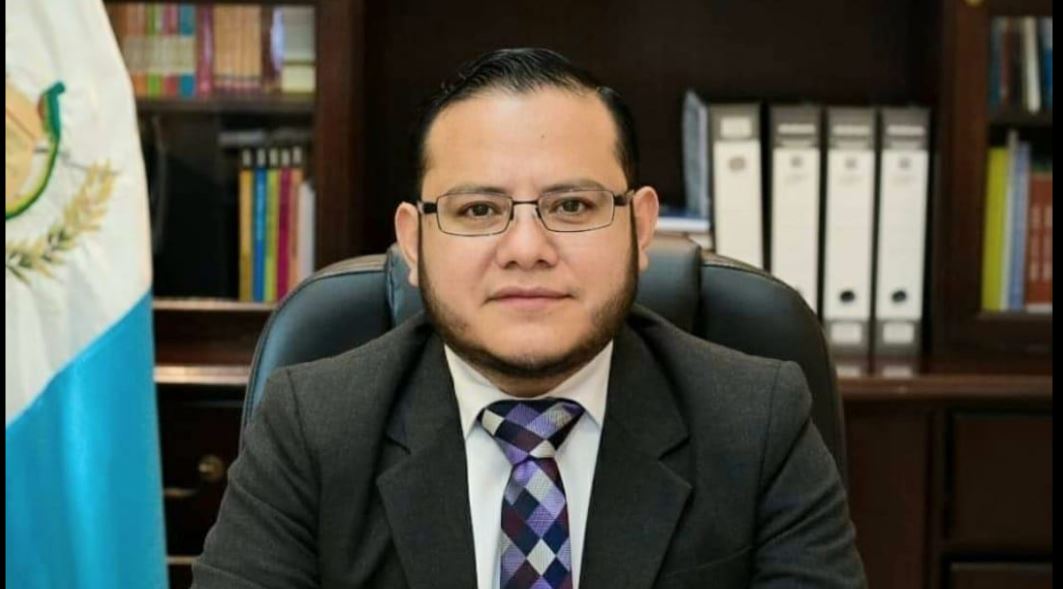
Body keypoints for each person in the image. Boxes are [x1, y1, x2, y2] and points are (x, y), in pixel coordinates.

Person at [193, 48, 866, 589]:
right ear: (414, 243)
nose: (526, 249)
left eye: (571, 206)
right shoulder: (311, 429)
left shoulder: (757, 423)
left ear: (639, 229)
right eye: (478, 210)